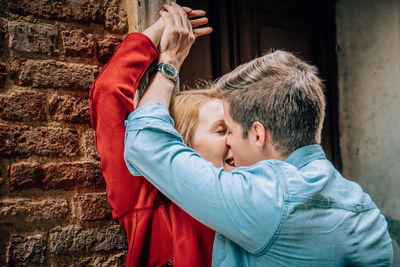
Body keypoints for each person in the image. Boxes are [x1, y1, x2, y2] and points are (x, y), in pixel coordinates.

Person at [123, 3, 394, 266]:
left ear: (257, 134)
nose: (227, 141)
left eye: (228, 129)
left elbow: (144, 141)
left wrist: (169, 62)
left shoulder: (262, 200)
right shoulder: (367, 212)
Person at [89, 5, 218, 267]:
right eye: (221, 130)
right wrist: (166, 43)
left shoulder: (252, 195)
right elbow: (109, 93)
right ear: (184, 142)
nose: (234, 140)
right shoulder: (149, 204)